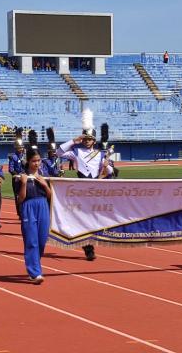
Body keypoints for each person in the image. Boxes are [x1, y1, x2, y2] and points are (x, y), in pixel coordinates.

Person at [56, 108, 114, 261]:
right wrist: (73, 140)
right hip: (80, 190)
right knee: (82, 219)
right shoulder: (76, 152)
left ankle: (90, 242)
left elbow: (110, 171)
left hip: (94, 190)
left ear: (94, 141)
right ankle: (88, 248)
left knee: (93, 219)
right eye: (85, 139)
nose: (87, 141)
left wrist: (107, 166)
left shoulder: (100, 154)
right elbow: (59, 153)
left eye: (89, 139)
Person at [18, 144, 51, 285]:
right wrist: (24, 183)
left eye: (38, 160)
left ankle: (34, 265)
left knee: (42, 240)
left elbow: (51, 196)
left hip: (43, 206)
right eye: (33, 161)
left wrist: (45, 185)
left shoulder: (44, 175)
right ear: (28, 161)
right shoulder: (21, 176)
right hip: (28, 207)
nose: (36, 163)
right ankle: (35, 273)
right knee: (31, 241)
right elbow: (20, 199)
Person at [8, 128, 26, 217]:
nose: (21, 149)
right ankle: (19, 212)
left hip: (25, 178)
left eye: (22, 147)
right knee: (18, 195)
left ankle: (25, 211)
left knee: (26, 194)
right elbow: (11, 169)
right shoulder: (13, 156)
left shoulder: (25, 156)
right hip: (16, 179)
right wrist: (16, 175)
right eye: (19, 147)